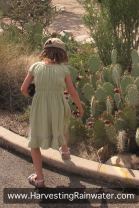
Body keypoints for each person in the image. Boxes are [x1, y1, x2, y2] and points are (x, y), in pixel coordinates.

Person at [20, 38, 84, 187]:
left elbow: (23, 89)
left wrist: (35, 96)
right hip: (58, 104)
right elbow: (72, 91)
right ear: (62, 53)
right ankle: (65, 151)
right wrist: (80, 108)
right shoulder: (63, 69)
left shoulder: (35, 67)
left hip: (39, 106)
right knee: (63, 125)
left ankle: (40, 179)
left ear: (45, 51)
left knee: (35, 141)